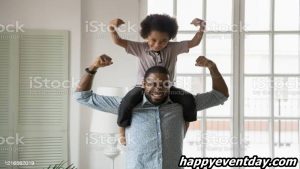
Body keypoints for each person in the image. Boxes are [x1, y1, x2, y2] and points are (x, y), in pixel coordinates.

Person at [74, 54, 229, 169]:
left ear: (170, 85)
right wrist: (93, 68)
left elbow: (220, 95)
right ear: (143, 84)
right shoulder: (126, 105)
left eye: (164, 84)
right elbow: (82, 97)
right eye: (152, 83)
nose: (158, 88)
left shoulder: (182, 105)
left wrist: (212, 67)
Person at [109, 14, 206, 145]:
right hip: (142, 87)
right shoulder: (140, 48)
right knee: (127, 102)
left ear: (169, 39)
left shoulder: (173, 48)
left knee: (188, 99)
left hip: (167, 87)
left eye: (163, 41)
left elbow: (194, 42)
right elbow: (117, 41)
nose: (157, 44)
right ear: (146, 36)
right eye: (153, 40)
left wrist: (201, 28)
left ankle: (185, 125)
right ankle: (121, 130)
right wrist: (112, 28)